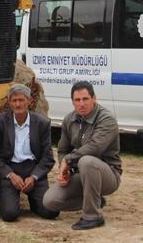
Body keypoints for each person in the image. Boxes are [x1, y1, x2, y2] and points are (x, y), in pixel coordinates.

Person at [42, 81, 122, 230]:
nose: (82, 104)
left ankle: (93, 216)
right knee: (49, 201)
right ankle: (95, 200)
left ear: (94, 98)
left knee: (87, 161)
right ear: (72, 102)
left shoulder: (107, 119)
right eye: (77, 100)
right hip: (80, 173)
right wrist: (63, 169)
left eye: (85, 99)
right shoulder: (69, 119)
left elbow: (95, 147)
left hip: (109, 175)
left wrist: (68, 160)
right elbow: (62, 150)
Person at [0, 83, 59, 222]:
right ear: (9, 103)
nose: (18, 104)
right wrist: (10, 175)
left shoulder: (42, 123)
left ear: (29, 101)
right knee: (10, 215)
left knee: (51, 211)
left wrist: (34, 177)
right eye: (14, 100)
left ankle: (35, 201)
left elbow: (48, 157)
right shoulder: (0, 122)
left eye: (21, 100)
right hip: (10, 169)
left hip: (33, 168)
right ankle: (10, 197)